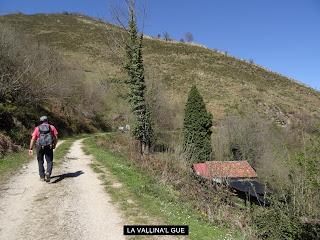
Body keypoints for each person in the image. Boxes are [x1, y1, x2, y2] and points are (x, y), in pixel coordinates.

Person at [29, 116, 58, 182]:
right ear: (47, 120)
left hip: (39, 146)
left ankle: (42, 176)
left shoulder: (37, 128)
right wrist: (54, 145)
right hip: (49, 146)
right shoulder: (52, 127)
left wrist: (30, 148)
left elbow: (33, 139)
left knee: (40, 161)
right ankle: (48, 173)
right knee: (49, 161)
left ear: (41, 121)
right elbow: (56, 138)